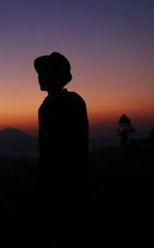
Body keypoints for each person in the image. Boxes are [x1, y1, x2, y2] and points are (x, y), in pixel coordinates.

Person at [34, 52, 90, 245]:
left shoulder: (62, 104)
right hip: (67, 180)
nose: (39, 76)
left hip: (65, 182)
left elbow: (60, 147)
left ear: (56, 75)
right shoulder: (61, 103)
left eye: (44, 72)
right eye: (39, 72)